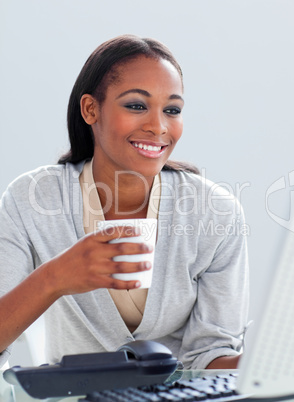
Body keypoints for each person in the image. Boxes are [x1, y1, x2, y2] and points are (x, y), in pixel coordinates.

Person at [0, 34, 249, 370]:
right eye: (136, 105)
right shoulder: (33, 199)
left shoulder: (216, 212)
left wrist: (262, 366)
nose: (158, 127)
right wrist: (54, 278)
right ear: (91, 109)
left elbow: (209, 355)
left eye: (172, 110)